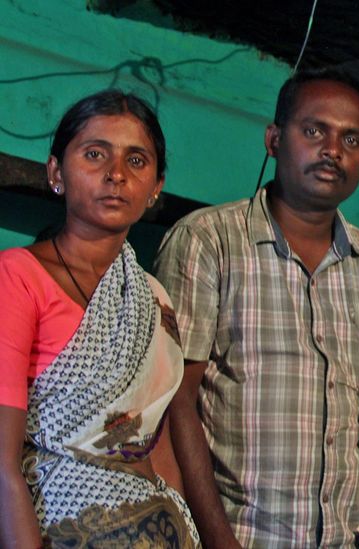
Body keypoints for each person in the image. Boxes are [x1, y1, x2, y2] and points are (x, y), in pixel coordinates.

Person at [154, 68, 359, 547]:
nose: (333, 150)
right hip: (237, 536)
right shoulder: (208, 241)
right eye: (314, 131)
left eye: (351, 139)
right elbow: (174, 402)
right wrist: (216, 539)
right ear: (273, 139)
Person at [0, 90, 199, 546]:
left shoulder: (152, 298)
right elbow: (2, 465)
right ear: (56, 173)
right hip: (55, 525)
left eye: (136, 161)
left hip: (155, 528)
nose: (115, 175)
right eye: (95, 154)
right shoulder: (18, 276)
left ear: (155, 187)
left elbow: (156, 444)